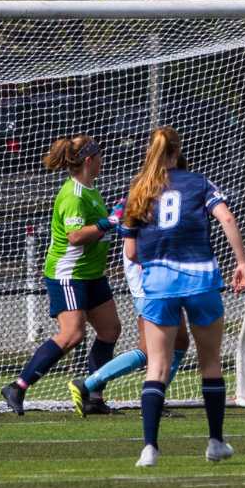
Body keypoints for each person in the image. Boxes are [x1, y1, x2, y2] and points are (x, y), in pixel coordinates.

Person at [121, 126, 245, 467]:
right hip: (201, 280)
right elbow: (226, 217)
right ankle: (215, 442)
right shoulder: (198, 182)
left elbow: (130, 252)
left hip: (159, 285)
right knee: (210, 362)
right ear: (177, 152)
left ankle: (149, 448)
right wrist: (241, 262)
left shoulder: (139, 189)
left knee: (157, 366)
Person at [0, 135, 122, 415]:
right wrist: (109, 222)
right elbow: (75, 236)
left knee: (110, 330)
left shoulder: (90, 188)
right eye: (99, 156)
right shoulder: (73, 195)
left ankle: (93, 396)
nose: (103, 160)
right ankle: (18, 386)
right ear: (89, 160)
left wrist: (114, 217)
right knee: (72, 334)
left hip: (91, 274)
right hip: (69, 273)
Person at [68, 156, 193, 417]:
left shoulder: (168, 197)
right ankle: (87, 384)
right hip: (149, 280)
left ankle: (154, 397)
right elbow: (133, 247)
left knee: (180, 340)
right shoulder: (146, 196)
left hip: (160, 277)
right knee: (150, 348)